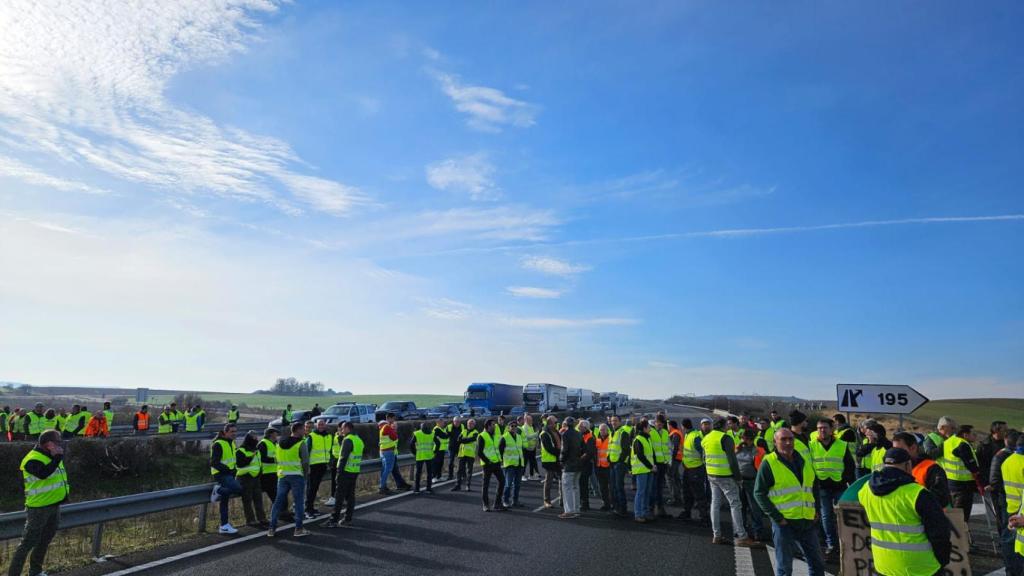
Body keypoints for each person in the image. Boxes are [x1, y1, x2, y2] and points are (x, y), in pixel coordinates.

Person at [858, 448, 952, 576]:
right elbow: (940, 532)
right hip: (921, 567)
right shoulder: (918, 494)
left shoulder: (865, 490)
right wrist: (943, 559)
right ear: (908, 465)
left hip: (884, 564)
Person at [754, 427, 825, 576]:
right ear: (775, 442)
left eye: (790, 439)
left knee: (817, 565)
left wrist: (816, 509)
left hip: (807, 522)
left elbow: (813, 486)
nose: (788, 442)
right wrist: (777, 518)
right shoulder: (769, 463)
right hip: (784, 524)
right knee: (785, 568)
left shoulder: (804, 460)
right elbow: (759, 493)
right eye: (783, 439)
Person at [10, 429, 69, 576]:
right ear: (49, 444)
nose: (60, 444)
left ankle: (35, 571)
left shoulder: (51, 456)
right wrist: (57, 458)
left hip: (54, 505)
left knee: (44, 540)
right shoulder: (32, 459)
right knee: (27, 543)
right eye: (58, 442)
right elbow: (43, 474)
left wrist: (56, 457)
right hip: (38, 509)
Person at [703, 419, 757, 546]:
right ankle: (742, 536)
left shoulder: (706, 438)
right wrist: (738, 478)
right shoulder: (725, 438)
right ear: (723, 426)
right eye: (727, 425)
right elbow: (732, 461)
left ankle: (717, 535)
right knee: (735, 504)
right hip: (725, 475)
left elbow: (704, 457)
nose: (728, 426)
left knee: (715, 504)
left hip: (711, 474)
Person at [808, 418, 854, 557]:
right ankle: (831, 544)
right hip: (821, 487)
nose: (822, 430)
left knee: (843, 515)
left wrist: (847, 480)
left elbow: (849, 465)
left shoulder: (842, 445)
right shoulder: (812, 445)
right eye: (819, 428)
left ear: (832, 429)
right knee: (826, 516)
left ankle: (847, 543)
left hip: (839, 485)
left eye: (825, 427)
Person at [936, 417, 983, 522]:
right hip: (963, 485)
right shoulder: (962, 444)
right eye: (973, 434)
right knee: (962, 516)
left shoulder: (949, 442)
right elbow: (971, 465)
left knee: (955, 514)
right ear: (965, 435)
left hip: (951, 482)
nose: (975, 436)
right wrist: (980, 480)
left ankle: (958, 536)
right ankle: (961, 537)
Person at [268, 422, 310, 538]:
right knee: (299, 502)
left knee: (278, 502)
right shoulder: (301, 443)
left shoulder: (279, 443)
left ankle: (272, 528)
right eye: (303, 429)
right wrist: (305, 476)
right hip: (297, 476)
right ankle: (298, 529)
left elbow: (276, 460)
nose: (304, 432)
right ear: (297, 430)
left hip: (282, 476)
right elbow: (305, 462)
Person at [891, 431, 951, 508]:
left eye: (900, 450)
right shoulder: (894, 468)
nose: (895, 453)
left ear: (913, 448)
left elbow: (941, 499)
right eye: (893, 450)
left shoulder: (931, 468)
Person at [325, 422, 363, 528]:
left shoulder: (348, 440)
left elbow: (343, 458)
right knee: (350, 497)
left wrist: (339, 472)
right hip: (354, 471)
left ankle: (333, 520)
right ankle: (347, 519)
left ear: (347, 428)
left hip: (345, 471)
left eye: (342, 429)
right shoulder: (359, 440)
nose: (341, 431)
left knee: (339, 497)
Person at [208, 423, 243, 534]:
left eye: (235, 431)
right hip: (221, 474)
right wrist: (228, 470)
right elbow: (214, 463)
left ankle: (224, 525)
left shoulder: (231, 443)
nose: (234, 433)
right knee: (238, 489)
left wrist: (234, 470)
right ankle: (217, 490)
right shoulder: (218, 444)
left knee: (225, 499)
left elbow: (232, 460)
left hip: (229, 474)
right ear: (225, 432)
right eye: (232, 431)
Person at [736, 428, 769, 541]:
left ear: (752, 439)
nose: (744, 441)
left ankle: (757, 531)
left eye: (747, 439)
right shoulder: (738, 449)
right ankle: (741, 529)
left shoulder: (758, 451)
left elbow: (763, 468)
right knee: (741, 507)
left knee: (754, 508)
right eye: (743, 438)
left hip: (753, 481)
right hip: (739, 481)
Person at [999, 434, 1024, 576]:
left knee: (1009, 543)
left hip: (1010, 506)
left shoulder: (1007, 461)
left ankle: (1010, 570)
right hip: (1021, 509)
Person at [679, 418, 710, 523]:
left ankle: (704, 517)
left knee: (699, 494)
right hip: (688, 469)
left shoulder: (695, 436)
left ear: (683, 426)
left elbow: (703, 451)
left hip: (696, 469)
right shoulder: (688, 434)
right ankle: (687, 512)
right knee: (687, 492)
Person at [235, 431, 267, 528]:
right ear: (249, 439)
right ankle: (251, 520)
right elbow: (240, 464)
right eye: (254, 438)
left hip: (256, 477)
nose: (256, 439)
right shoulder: (241, 450)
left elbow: (259, 463)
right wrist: (252, 455)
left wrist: (260, 472)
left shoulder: (256, 450)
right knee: (247, 500)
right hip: (245, 477)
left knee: (258, 499)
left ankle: (262, 518)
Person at [304, 419, 334, 516]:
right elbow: (306, 452)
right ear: (316, 426)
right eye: (319, 424)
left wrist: (330, 462)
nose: (321, 426)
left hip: (323, 465)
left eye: (322, 424)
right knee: (311, 488)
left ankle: (311, 507)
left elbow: (330, 451)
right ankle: (308, 509)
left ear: (325, 425)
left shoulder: (329, 436)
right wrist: (307, 466)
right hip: (313, 466)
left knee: (315, 488)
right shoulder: (312, 436)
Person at [478, 418, 507, 512]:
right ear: (488, 426)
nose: (495, 426)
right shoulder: (482, 436)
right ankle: (485, 505)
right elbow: (479, 452)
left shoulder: (495, 436)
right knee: (486, 485)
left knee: (502, 481)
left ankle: (497, 503)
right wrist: (487, 461)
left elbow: (497, 449)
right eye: (493, 425)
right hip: (487, 465)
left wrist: (500, 459)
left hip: (496, 463)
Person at [378, 413, 411, 494]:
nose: (394, 421)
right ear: (389, 418)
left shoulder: (383, 427)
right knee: (387, 469)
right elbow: (394, 437)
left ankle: (385, 486)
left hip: (384, 451)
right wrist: (394, 431)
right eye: (393, 419)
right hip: (389, 451)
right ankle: (382, 487)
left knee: (385, 469)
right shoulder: (387, 427)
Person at [631, 419, 655, 523]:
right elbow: (640, 456)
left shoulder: (647, 438)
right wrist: (651, 466)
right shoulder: (638, 439)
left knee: (646, 492)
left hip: (648, 469)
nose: (650, 429)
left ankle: (645, 512)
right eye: (649, 427)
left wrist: (652, 466)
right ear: (644, 428)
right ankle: (638, 514)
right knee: (641, 492)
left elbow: (650, 454)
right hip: (641, 470)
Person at [559, 417, 583, 519]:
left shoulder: (565, 434)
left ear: (566, 424)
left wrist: (561, 460)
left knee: (567, 488)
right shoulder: (579, 434)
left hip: (569, 465)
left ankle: (569, 511)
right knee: (575, 487)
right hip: (578, 464)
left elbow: (564, 450)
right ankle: (576, 509)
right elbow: (582, 448)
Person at [649, 414, 671, 518]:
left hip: (663, 464)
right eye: (658, 423)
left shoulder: (666, 433)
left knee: (660, 487)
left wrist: (668, 461)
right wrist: (652, 464)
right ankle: (651, 509)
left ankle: (660, 508)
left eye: (662, 423)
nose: (660, 425)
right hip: (654, 465)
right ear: (654, 422)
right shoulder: (651, 432)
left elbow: (668, 448)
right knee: (653, 487)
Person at [607, 416, 629, 516]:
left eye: (615, 421)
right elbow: (611, 447)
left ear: (620, 422)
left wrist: (619, 461)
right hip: (612, 463)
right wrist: (608, 457)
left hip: (619, 464)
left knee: (619, 487)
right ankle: (616, 507)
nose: (613, 422)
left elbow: (625, 450)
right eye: (612, 421)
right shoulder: (613, 432)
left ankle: (622, 508)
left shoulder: (623, 433)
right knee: (613, 487)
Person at [540, 415, 563, 509]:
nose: (557, 423)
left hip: (557, 459)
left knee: (562, 480)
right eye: (555, 422)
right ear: (550, 423)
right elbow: (549, 448)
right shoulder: (544, 433)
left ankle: (562, 500)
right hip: (549, 460)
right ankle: (547, 501)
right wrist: (560, 452)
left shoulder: (556, 431)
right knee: (548, 481)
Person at [500, 419, 524, 508]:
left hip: (519, 464)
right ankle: (505, 500)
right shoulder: (504, 437)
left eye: (515, 426)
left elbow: (520, 450)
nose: (514, 427)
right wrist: (502, 462)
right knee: (508, 484)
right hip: (509, 464)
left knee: (517, 484)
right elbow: (500, 451)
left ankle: (515, 501)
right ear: (508, 427)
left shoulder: (519, 436)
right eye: (512, 426)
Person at [452, 418, 479, 491]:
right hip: (462, 454)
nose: (470, 425)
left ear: (474, 425)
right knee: (459, 470)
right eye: (469, 423)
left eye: (471, 423)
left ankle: (468, 486)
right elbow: (458, 440)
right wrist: (465, 440)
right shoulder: (463, 431)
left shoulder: (476, 432)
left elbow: (472, 439)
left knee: (469, 471)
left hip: (470, 454)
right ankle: (458, 485)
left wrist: (463, 440)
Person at [411, 421, 438, 494]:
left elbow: (411, 444)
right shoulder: (432, 433)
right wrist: (434, 451)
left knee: (418, 473)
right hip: (429, 455)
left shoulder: (417, 433)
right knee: (429, 473)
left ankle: (417, 489)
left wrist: (415, 452)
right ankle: (428, 488)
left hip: (420, 455)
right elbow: (438, 443)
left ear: (421, 427)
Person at [593, 423, 613, 511]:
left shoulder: (610, 439)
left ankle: (613, 503)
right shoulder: (597, 440)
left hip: (608, 467)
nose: (602, 431)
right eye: (601, 430)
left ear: (607, 430)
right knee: (602, 487)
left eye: (604, 429)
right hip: (599, 467)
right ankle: (606, 504)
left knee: (611, 487)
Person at [258, 428, 280, 507]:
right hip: (266, 474)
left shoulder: (275, 443)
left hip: (275, 473)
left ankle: (282, 513)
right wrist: (274, 460)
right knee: (275, 496)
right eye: (275, 433)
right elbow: (262, 458)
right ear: (271, 434)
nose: (277, 435)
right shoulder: (263, 443)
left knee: (278, 496)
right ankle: (280, 515)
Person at [579, 420, 596, 512]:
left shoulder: (589, 437)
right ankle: (583, 503)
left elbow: (589, 453)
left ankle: (585, 504)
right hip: (584, 463)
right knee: (582, 484)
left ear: (585, 428)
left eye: (580, 426)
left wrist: (579, 460)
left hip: (586, 464)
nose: (578, 428)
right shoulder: (583, 435)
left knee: (584, 485)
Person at [668, 420, 685, 505]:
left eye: (668, 425)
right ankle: (679, 495)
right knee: (676, 477)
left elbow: (674, 448)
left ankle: (675, 498)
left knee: (670, 477)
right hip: (678, 458)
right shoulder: (677, 432)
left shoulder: (675, 434)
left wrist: (671, 459)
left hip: (675, 458)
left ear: (670, 426)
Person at [521, 414, 540, 480]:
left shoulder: (531, 427)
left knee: (532, 462)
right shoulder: (524, 427)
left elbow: (532, 436)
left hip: (532, 448)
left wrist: (536, 441)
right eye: (530, 420)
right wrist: (536, 434)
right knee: (525, 462)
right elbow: (527, 437)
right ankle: (522, 475)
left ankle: (531, 475)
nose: (531, 421)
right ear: (526, 420)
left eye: (531, 420)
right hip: (526, 448)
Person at [446, 416, 464, 481]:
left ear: (460, 422)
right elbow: (445, 435)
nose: (457, 423)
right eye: (455, 421)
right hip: (451, 447)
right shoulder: (449, 427)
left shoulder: (462, 427)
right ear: (453, 422)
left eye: (458, 422)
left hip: (460, 447)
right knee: (451, 462)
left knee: (462, 462)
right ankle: (450, 475)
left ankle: (463, 474)